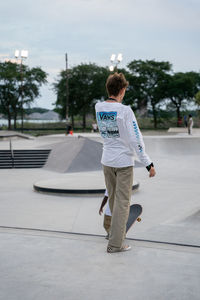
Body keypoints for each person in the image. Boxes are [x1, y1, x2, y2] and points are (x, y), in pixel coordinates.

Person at [95, 72, 156, 253]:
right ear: (122, 90)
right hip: (123, 163)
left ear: (108, 89)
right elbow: (135, 139)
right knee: (122, 203)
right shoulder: (125, 111)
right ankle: (115, 244)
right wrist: (148, 163)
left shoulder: (98, 107)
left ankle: (113, 233)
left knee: (114, 202)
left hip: (106, 161)